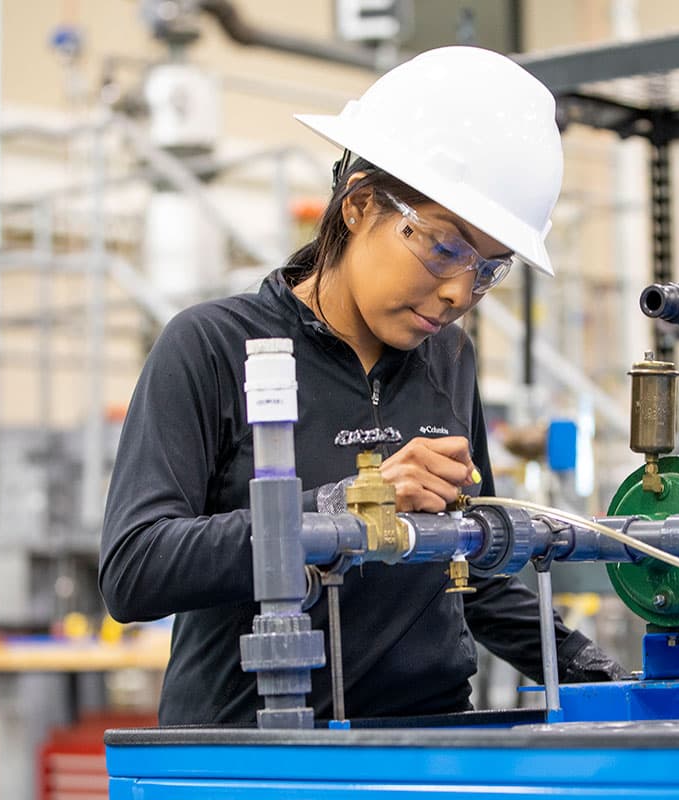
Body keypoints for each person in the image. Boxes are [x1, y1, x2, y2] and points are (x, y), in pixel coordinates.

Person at [99, 46, 627, 726]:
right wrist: (343, 508)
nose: (460, 291)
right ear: (358, 206)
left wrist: (599, 673)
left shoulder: (448, 358)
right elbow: (135, 569)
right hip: (255, 755)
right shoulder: (212, 347)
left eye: (490, 269)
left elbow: (471, 570)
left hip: (429, 742)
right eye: (443, 246)